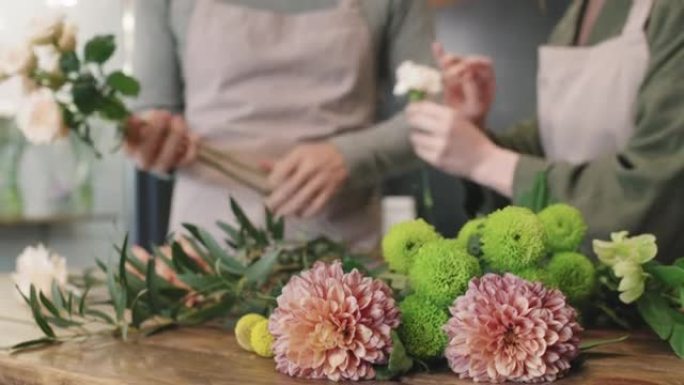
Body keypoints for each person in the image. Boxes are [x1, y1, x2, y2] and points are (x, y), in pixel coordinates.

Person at [126, 0, 434, 250]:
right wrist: (154, 142)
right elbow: (149, 112)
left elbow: (433, 118)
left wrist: (350, 156)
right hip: (205, 262)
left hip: (343, 263)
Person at [406, 0, 684, 261]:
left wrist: (485, 160)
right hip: (577, 286)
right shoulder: (577, 15)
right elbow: (553, 140)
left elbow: (657, 193)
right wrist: (474, 132)